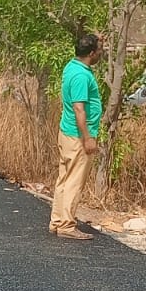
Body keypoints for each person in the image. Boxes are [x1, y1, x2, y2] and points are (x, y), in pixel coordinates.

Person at [49, 33, 103, 240]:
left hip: (67, 132)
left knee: (64, 178)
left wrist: (97, 38)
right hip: (77, 136)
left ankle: (57, 220)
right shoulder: (81, 76)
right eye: (99, 50)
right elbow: (79, 108)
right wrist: (87, 137)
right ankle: (66, 225)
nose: (101, 54)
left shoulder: (72, 66)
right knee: (74, 181)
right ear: (91, 53)